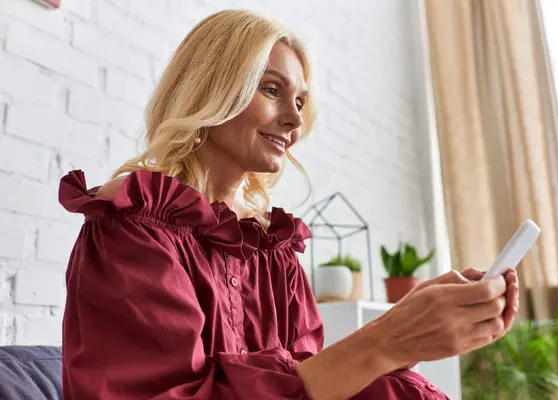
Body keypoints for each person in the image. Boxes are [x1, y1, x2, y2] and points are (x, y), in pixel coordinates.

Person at [58, 9, 518, 400]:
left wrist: (407, 328)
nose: (295, 119)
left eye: (300, 99)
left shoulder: (274, 252)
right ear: (211, 91)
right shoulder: (133, 229)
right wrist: (384, 341)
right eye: (272, 90)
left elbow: (309, 381)